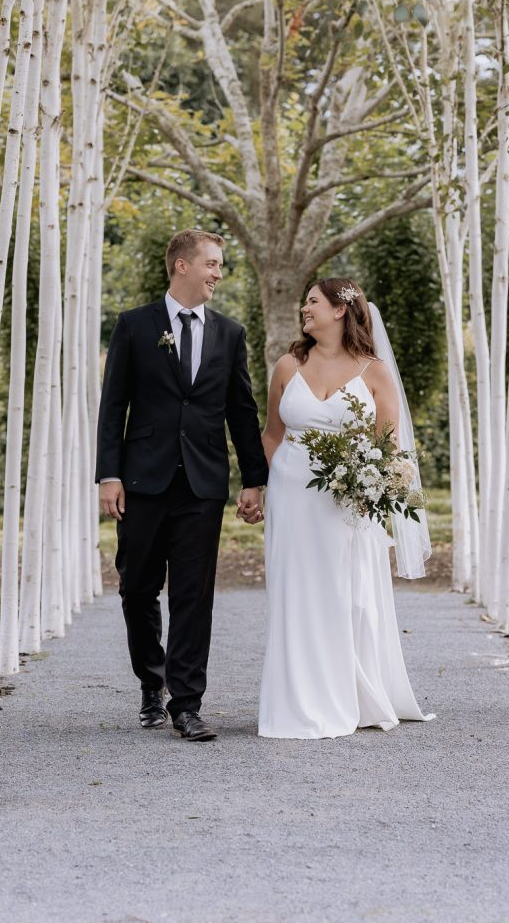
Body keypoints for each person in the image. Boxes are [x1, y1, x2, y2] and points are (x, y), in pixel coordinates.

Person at [95, 228, 267, 742]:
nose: (219, 273)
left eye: (220, 265)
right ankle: (152, 680)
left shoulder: (229, 334)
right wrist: (109, 473)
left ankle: (187, 703)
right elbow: (113, 407)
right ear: (181, 266)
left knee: (194, 594)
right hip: (143, 481)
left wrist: (254, 479)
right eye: (212, 263)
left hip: (202, 484)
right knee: (138, 587)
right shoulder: (133, 326)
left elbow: (242, 411)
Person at [258, 278, 429, 739]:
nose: (304, 308)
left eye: (312, 301)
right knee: (295, 593)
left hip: (346, 503)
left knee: (344, 596)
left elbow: (391, 447)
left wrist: (373, 483)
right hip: (292, 500)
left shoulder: (374, 372)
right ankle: (295, 700)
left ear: (339, 310)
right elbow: (272, 434)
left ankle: (350, 695)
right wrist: (271, 483)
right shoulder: (287, 366)